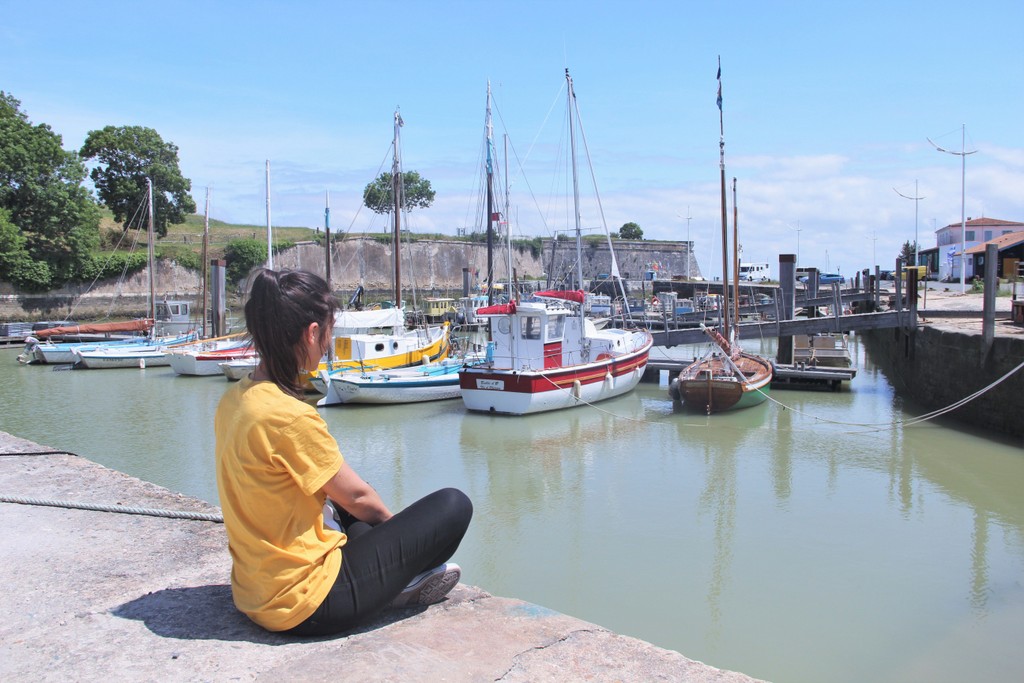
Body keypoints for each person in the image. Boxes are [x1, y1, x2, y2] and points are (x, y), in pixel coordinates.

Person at [214, 268, 473, 636]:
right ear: (312, 332)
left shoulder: (234, 399)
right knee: (452, 506)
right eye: (329, 334)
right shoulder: (288, 415)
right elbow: (359, 497)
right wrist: (399, 535)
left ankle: (391, 578)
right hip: (310, 603)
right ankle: (399, 586)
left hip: (256, 590)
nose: (327, 345)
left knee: (355, 516)